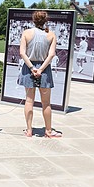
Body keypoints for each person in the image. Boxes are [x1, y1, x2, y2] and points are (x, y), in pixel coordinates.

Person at [18, 10, 61, 138]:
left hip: (29, 67)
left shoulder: (26, 33)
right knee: (46, 102)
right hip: (44, 68)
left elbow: (22, 53)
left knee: (29, 100)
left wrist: (32, 68)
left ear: (34, 20)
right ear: (45, 21)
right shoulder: (51, 35)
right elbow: (51, 54)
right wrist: (41, 69)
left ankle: (29, 130)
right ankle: (48, 131)